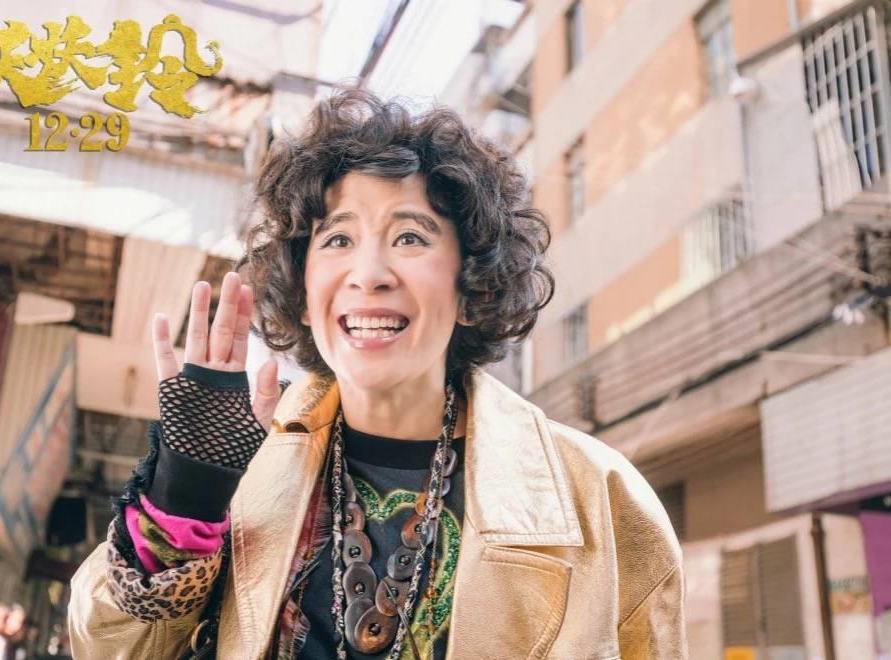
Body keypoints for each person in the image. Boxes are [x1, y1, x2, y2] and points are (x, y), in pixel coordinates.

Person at [68, 88, 686, 659]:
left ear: (471, 288)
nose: (369, 274)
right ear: (304, 294)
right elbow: (106, 649)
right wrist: (184, 496)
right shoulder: (243, 467)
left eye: (410, 237)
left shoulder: (598, 497)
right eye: (337, 240)